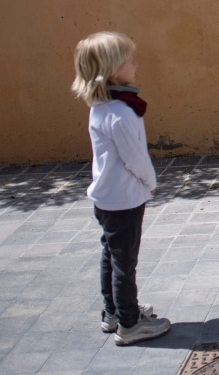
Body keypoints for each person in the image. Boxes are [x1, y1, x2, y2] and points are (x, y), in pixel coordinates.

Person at [72, 32, 171, 345]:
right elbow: (135, 158)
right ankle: (129, 323)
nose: (136, 65)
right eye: (131, 61)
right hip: (125, 199)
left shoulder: (102, 106)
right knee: (125, 263)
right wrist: (151, 183)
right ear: (113, 70)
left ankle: (113, 312)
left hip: (106, 197)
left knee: (111, 257)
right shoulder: (121, 113)